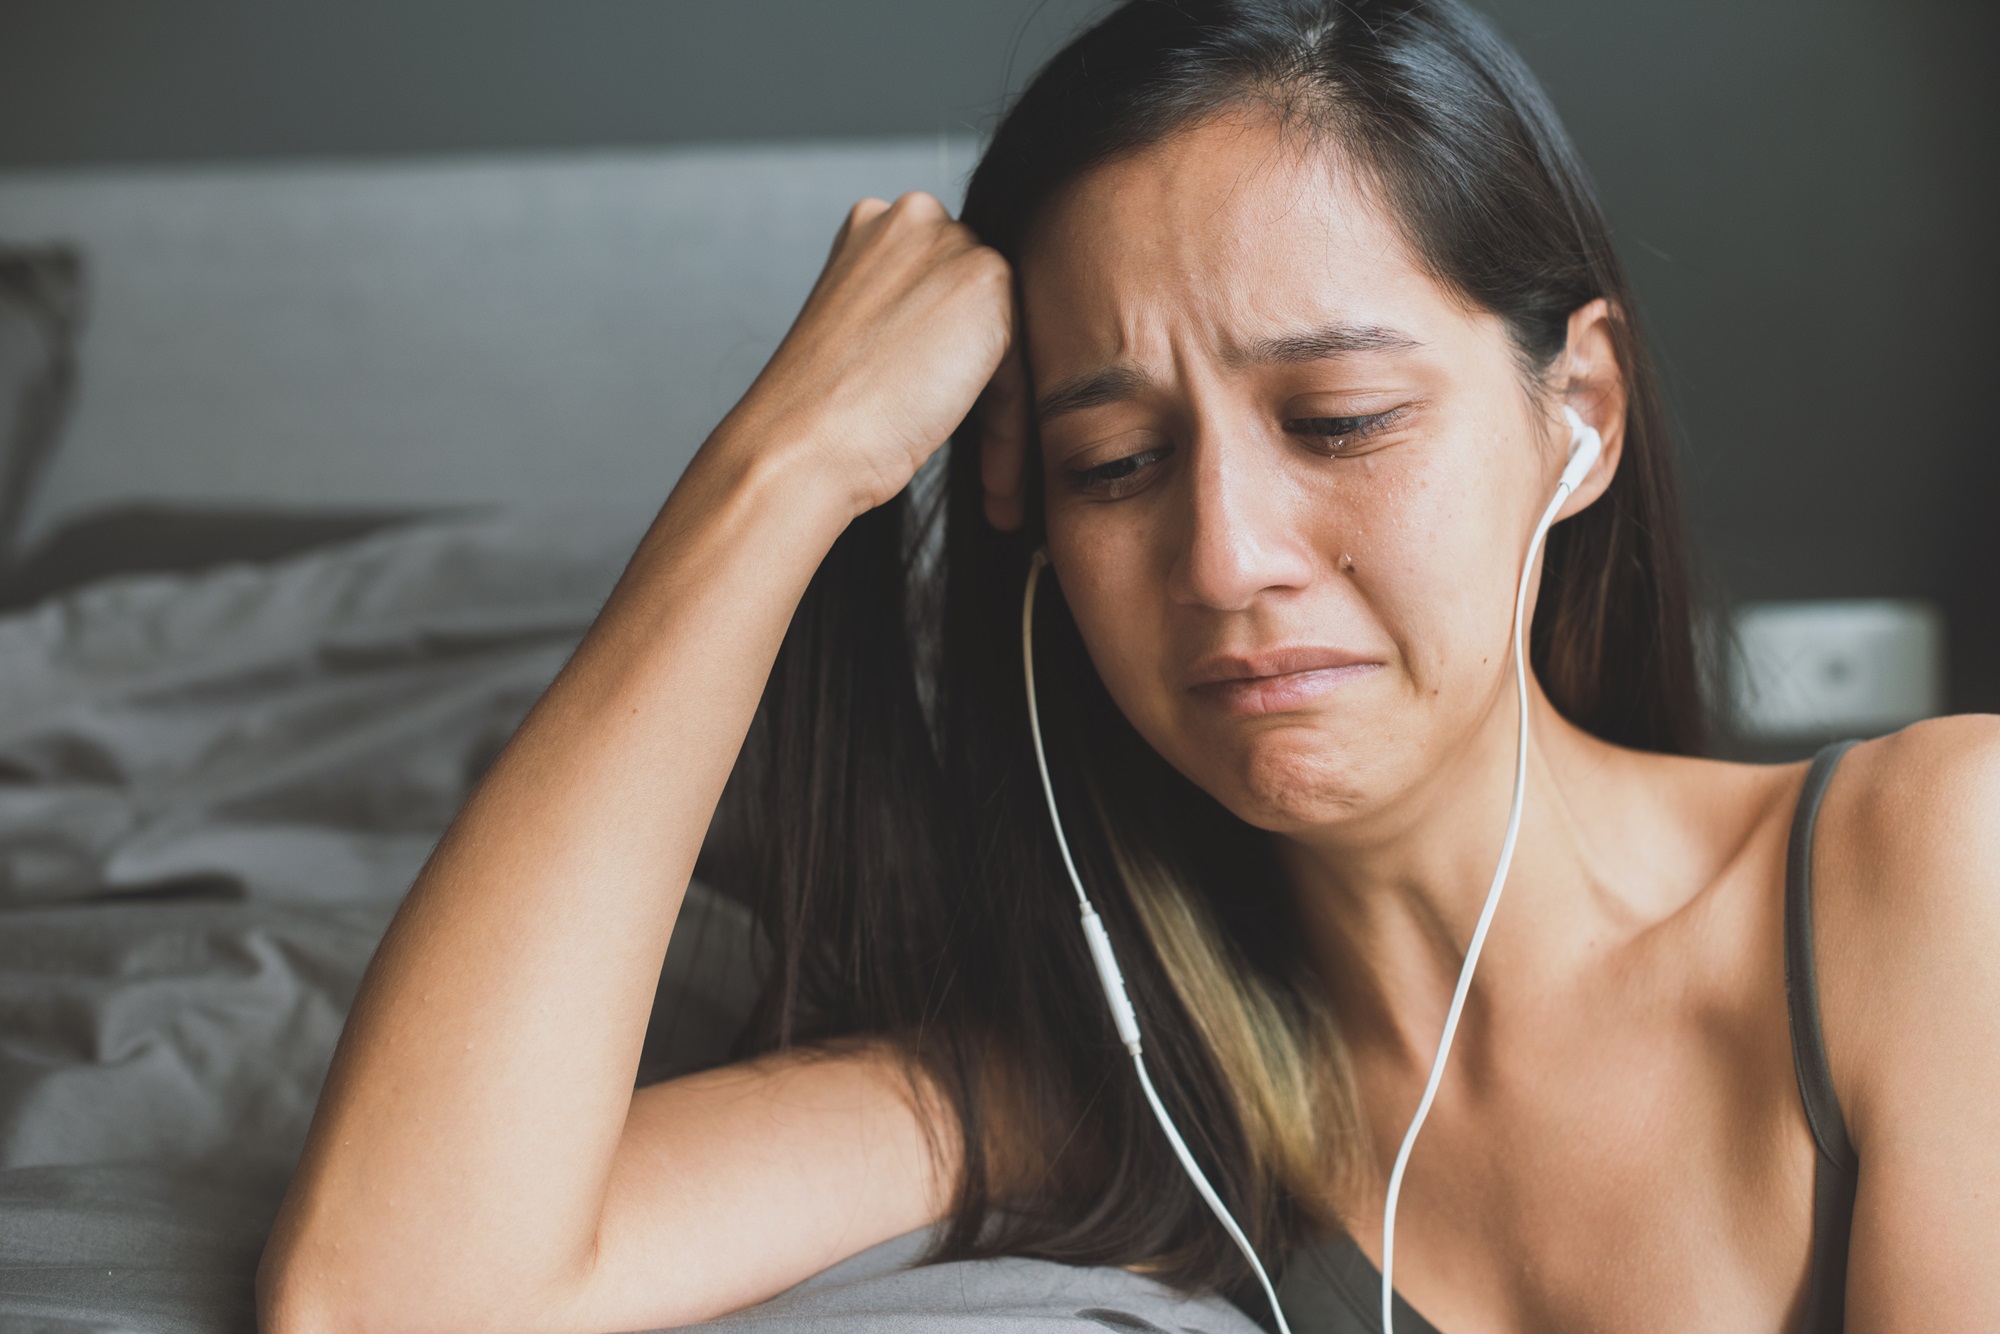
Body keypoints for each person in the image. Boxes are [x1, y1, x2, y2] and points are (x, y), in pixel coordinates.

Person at [256, 2, 2000, 1330]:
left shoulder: (1933, 865)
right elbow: (385, 1297)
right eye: (1115, 465)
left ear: (1581, 415)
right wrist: (789, 464)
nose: (1226, 556)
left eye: (1338, 419)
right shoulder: (1095, 1075)